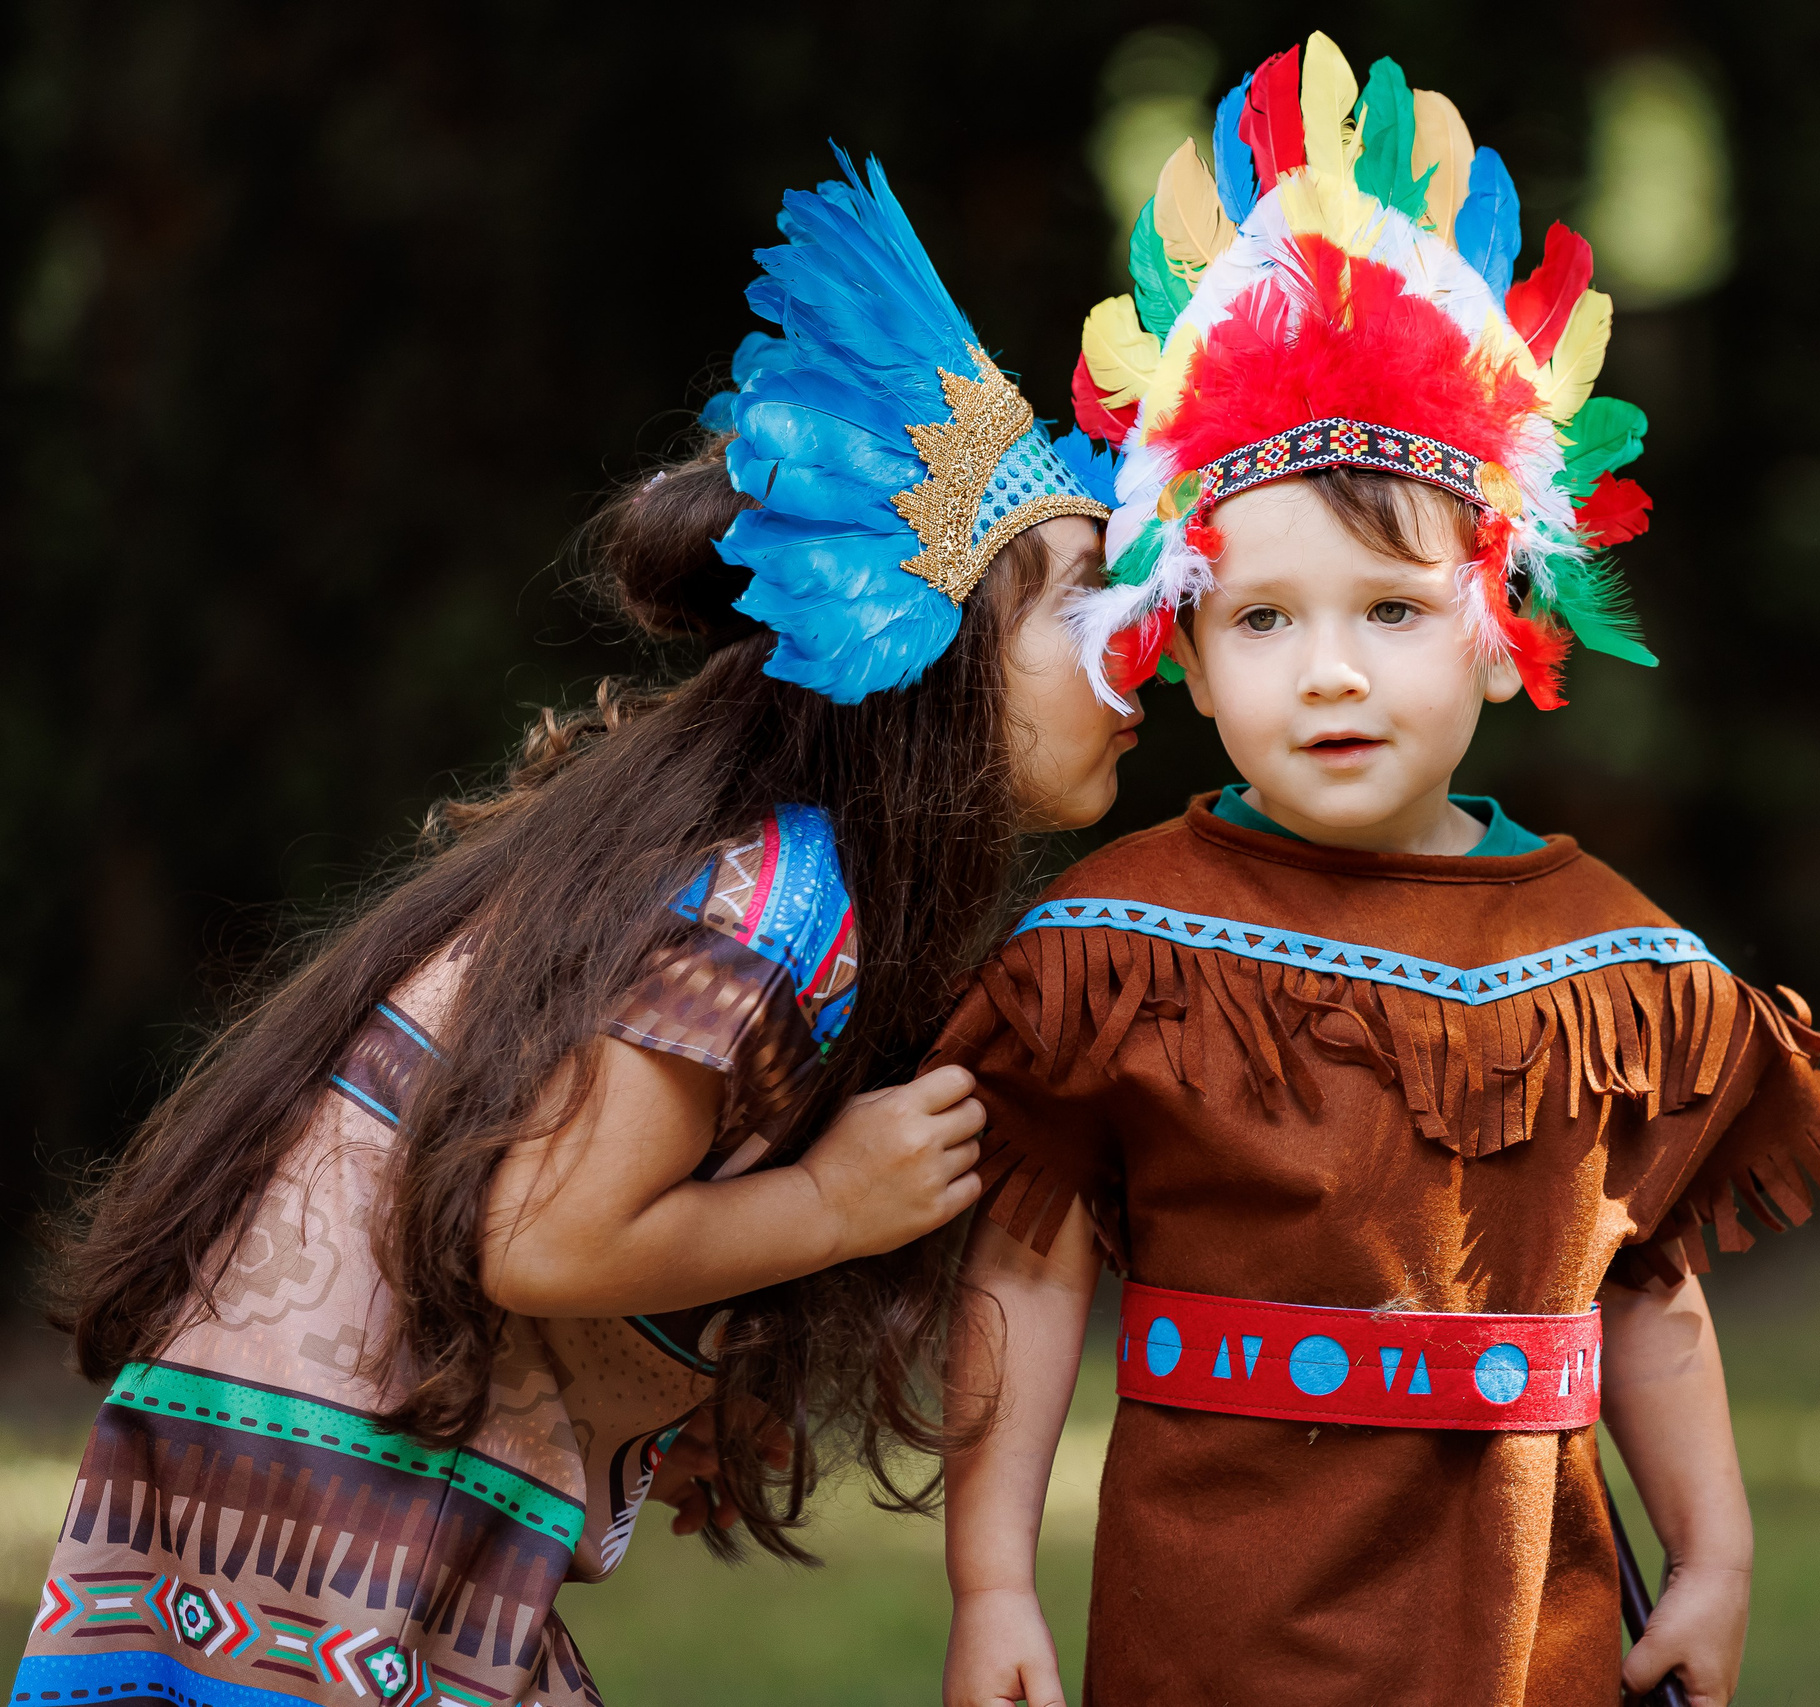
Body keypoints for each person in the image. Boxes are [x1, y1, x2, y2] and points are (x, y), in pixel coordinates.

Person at [21, 152, 1134, 1707]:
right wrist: (831, 1207)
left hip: (299, 1515)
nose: (1139, 650)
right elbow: (544, 1235)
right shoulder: (775, 894)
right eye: (1082, 600)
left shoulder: (757, 867)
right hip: (309, 1542)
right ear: (931, 650)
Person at [931, 36, 1820, 1707]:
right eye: (1265, 621)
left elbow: (1647, 1280)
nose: (1332, 673)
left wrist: (1716, 1556)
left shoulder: (1611, 969)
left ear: (1504, 634)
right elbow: (1024, 1262)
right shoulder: (1116, 948)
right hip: (1213, 1629)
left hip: (1530, 1633)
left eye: (1392, 612)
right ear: (1186, 662)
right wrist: (992, 1581)